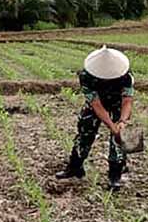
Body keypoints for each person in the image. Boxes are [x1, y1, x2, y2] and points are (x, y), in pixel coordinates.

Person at [56, 46, 134, 190]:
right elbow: (96, 104)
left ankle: (116, 174)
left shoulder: (126, 75)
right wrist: (111, 124)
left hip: (118, 105)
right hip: (95, 105)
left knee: (122, 136)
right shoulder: (86, 76)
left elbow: (127, 100)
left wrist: (122, 121)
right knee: (84, 133)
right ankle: (74, 168)